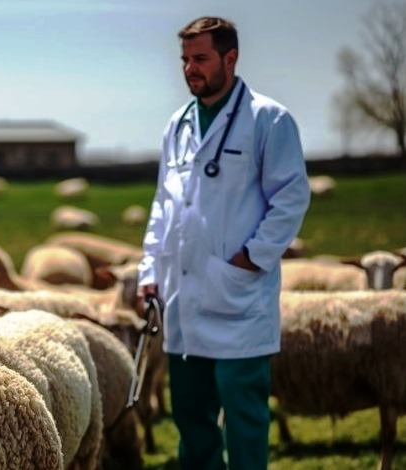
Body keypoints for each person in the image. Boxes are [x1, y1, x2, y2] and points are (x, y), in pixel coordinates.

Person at [137, 16, 311, 470]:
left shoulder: (268, 119)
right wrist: (149, 272)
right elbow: (163, 205)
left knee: (244, 421)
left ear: (230, 59)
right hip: (184, 299)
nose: (190, 69)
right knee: (192, 422)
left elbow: (290, 198)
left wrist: (251, 258)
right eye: (185, 60)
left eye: (200, 59)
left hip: (237, 299)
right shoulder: (176, 125)